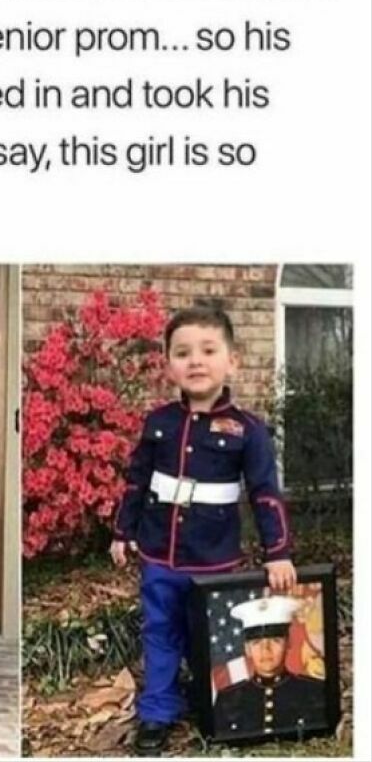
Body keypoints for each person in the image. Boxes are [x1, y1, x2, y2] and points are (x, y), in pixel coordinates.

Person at [109, 307, 297, 753]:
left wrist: (278, 552)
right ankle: (157, 712)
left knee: (211, 635)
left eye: (208, 351)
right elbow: (136, 481)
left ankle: (216, 702)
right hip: (159, 555)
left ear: (232, 361)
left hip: (215, 561)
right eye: (183, 353)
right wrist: (122, 532)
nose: (195, 361)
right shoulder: (159, 423)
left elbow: (265, 493)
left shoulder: (248, 431)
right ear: (168, 365)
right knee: (160, 631)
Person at [213, 595, 327, 736]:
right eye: (256, 643)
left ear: (289, 643)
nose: (266, 650)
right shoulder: (227, 699)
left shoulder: (315, 692)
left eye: (275, 641)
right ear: (247, 649)